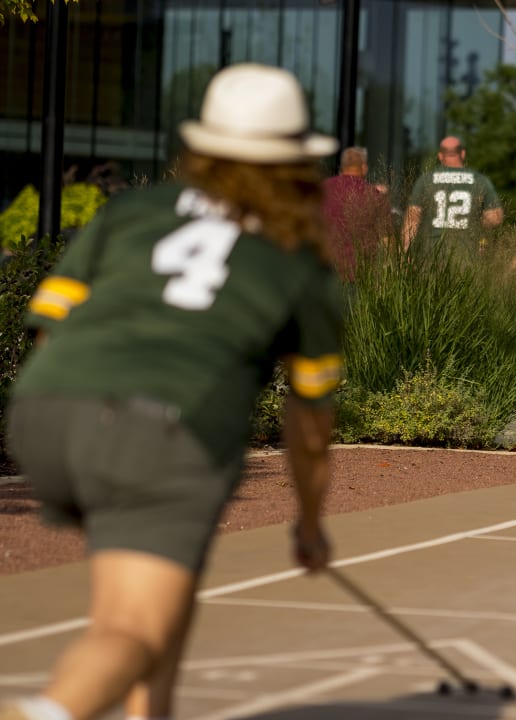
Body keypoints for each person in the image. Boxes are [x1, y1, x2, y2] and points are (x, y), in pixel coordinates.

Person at [0, 63, 343, 720]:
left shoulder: (132, 210)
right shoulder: (300, 261)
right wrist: (309, 524)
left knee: (137, 610)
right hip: (166, 429)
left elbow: (50, 327)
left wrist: (83, 421)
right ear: (296, 163)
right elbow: (310, 429)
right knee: (131, 631)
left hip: (46, 408)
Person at [401, 136, 504, 254]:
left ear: (440, 156)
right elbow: (495, 217)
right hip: (467, 255)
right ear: (463, 154)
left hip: (431, 256)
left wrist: (405, 254)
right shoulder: (480, 181)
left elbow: (412, 219)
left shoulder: (426, 180)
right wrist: (476, 224)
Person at [322, 146, 393, 281]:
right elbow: (387, 240)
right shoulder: (374, 195)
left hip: (323, 273)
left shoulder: (321, 190)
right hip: (359, 276)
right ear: (364, 167)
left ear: (341, 167)